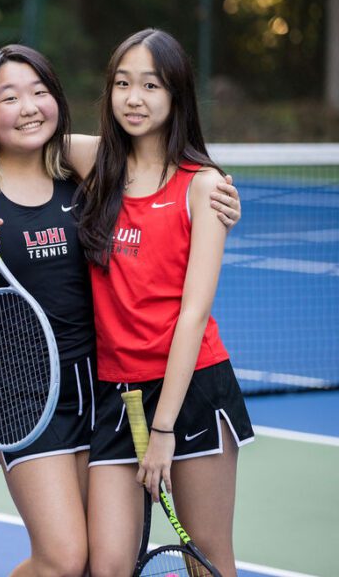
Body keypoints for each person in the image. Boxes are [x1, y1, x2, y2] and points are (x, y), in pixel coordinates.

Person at [0, 41, 243, 576]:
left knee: (113, 563)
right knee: (67, 558)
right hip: (33, 394)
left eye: (39, 92)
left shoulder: (91, 169)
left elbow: (165, 169)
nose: (28, 108)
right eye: (9, 97)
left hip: (114, 389)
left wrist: (216, 193)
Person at [79, 29, 253, 577]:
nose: (134, 99)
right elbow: (6, 139)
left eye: (151, 86)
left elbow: (193, 314)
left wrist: (163, 430)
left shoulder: (204, 186)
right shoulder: (94, 162)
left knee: (207, 558)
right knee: (108, 563)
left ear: (176, 94)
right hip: (116, 393)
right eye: (122, 84)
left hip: (192, 388)